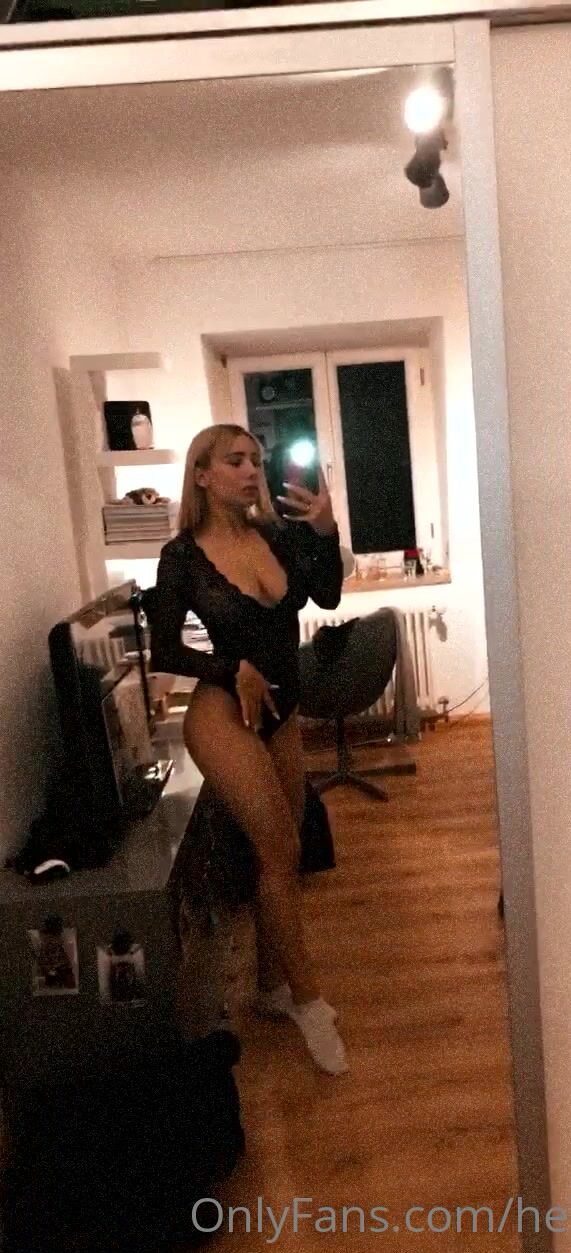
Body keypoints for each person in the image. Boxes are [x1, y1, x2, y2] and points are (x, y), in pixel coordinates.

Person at [149, 423, 348, 1075]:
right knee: (281, 848)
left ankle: (269, 988)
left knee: (278, 860)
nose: (251, 471)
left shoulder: (277, 535)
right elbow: (166, 649)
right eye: (235, 460)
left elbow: (326, 594)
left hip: (280, 711)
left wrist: (325, 530)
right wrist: (231, 665)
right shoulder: (181, 557)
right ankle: (311, 1002)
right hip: (222, 714)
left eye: (256, 461)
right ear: (202, 475)